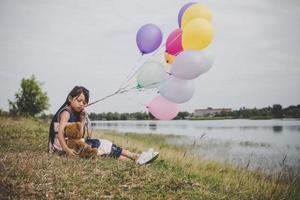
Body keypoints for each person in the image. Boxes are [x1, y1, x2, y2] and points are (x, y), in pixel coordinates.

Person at [48, 86, 159, 164]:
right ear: (70, 98)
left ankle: (135, 160)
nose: (81, 104)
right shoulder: (66, 112)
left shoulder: (76, 114)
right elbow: (61, 134)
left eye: (84, 102)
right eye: (79, 100)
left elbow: (79, 135)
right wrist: (67, 150)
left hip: (73, 144)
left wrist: (82, 120)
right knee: (104, 144)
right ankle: (135, 156)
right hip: (62, 147)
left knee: (104, 153)